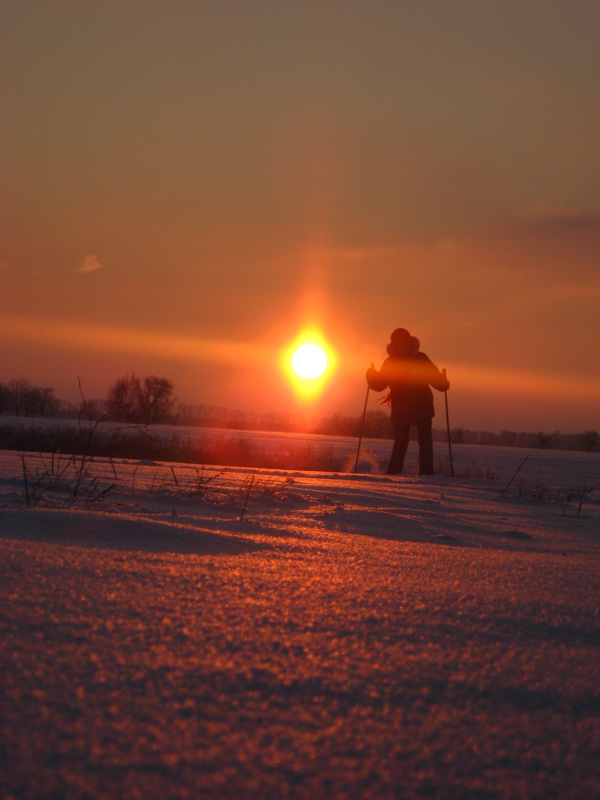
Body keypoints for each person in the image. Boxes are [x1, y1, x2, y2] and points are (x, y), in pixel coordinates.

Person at [366, 328, 449, 475]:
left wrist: (443, 383)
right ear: (395, 345)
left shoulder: (421, 358)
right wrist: (371, 377)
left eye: (405, 343)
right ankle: (393, 474)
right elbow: (379, 385)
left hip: (422, 405)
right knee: (400, 443)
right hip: (401, 408)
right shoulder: (390, 363)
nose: (402, 347)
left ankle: (427, 474)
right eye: (399, 344)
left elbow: (435, 379)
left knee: (425, 442)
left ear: (409, 343)